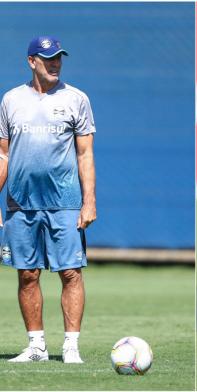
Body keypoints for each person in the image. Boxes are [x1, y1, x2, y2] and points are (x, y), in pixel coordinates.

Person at [0, 36, 96, 363]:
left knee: (70, 272)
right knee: (27, 274)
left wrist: (89, 201)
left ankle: (71, 347)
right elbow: (3, 155)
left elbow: (85, 154)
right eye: (47, 58)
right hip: (20, 203)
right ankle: (37, 346)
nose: (54, 63)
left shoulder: (76, 99)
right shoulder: (11, 100)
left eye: (58, 58)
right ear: (31, 61)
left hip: (65, 201)